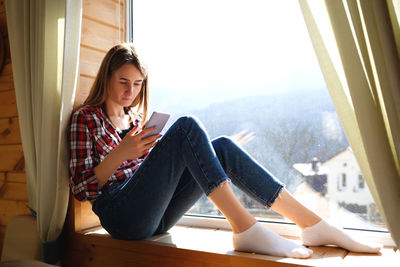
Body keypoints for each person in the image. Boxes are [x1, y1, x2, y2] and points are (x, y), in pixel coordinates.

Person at [68, 43, 382, 259]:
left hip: (154, 217)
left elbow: (155, 180)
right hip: (121, 217)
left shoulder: (136, 120)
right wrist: (122, 152)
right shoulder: (86, 118)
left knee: (223, 148)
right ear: (106, 77)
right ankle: (244, 228)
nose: (130, 91)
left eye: (138, 84)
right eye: (123, 81)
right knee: (187, 126)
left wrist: (206, 156)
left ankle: (312, 225)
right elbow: (81, 188)